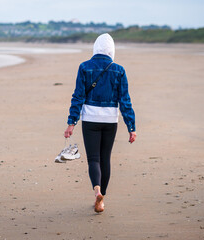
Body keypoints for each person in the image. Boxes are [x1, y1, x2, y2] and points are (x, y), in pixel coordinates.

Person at [64, 33, 136, 213]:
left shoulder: (84, 67)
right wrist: (131, 127)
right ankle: (102, 198)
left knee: (93, 159)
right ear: (112, 51)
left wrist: (72, 122)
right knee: (105, 159)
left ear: (95, 48)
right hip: (110, 120)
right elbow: (125, 101)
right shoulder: (119, 70)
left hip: (90, 119)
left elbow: (78, 97)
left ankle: (97, 191)